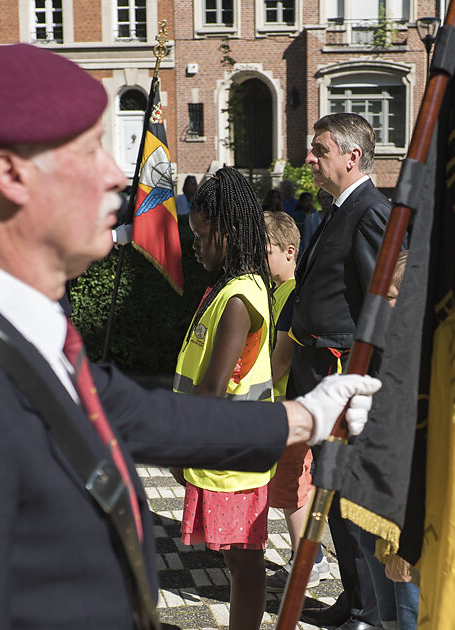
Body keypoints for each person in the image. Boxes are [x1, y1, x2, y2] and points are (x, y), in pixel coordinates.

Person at [0, 43, 382, 629]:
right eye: (88, 152)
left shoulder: (23, 318)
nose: (115, 174)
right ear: (11, 176)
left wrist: (307, 416)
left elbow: (128, 410)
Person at [291, 112, 394, 630]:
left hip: (345, 380)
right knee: (330, 492)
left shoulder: (371, 211)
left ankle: (370, 611)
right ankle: (354, 598)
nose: (309, 158)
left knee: (349, 496)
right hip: (320, 375)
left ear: (352, 157)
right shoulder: (337, 209)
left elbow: (383, 306)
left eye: (320, 150)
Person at [171, 167, 277, 630]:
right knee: (239, 559)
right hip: (229, 450)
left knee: (244, 561)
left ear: (229, 233)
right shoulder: (228, 289)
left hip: (233, 456)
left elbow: (214, 388)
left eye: (201, 235)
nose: (194, 245)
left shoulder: (239, 297)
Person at [263, 211, 330, 593]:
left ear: (290, 251)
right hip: (283, 402)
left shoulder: (292, 293)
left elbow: (283, 355)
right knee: (291, 484)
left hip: (287, 402)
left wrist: (258, 390)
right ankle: (309, 556)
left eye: (267, 250)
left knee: (292, 484)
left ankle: (311, 560)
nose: (260, 257)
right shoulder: (278, 291)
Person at [357, 251, 420, 630]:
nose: (383, 305)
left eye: (392, 297)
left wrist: (407, 546)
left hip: (406, 523)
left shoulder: (427, 364)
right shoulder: (389, 348)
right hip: (375, 501)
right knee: (389, 615)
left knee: (409, 606)